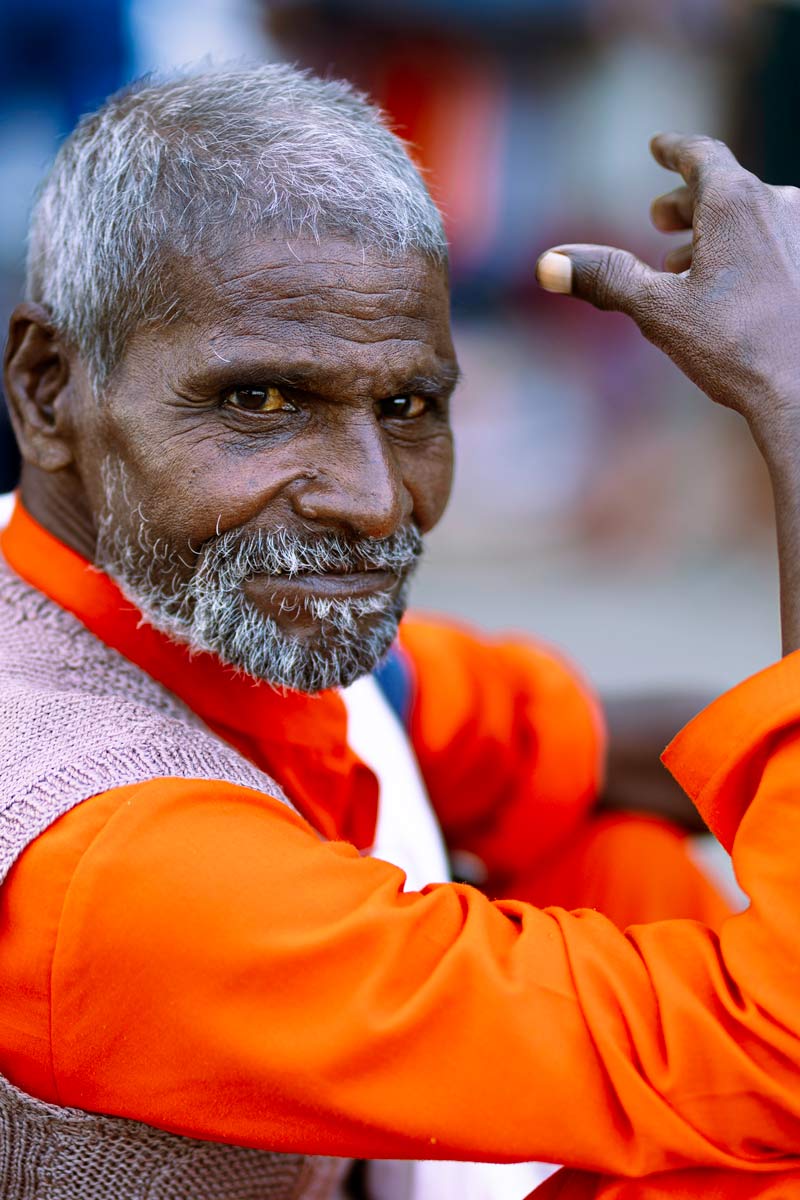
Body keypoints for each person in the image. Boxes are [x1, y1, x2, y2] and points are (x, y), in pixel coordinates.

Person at [0, 63, 799, 1200]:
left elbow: (582, 740)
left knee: (611, 857)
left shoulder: (206, 624)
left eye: (406, 406)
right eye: (261, 402)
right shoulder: (105, 856)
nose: (373, 500)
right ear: (46, 391)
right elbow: (772, 1062)